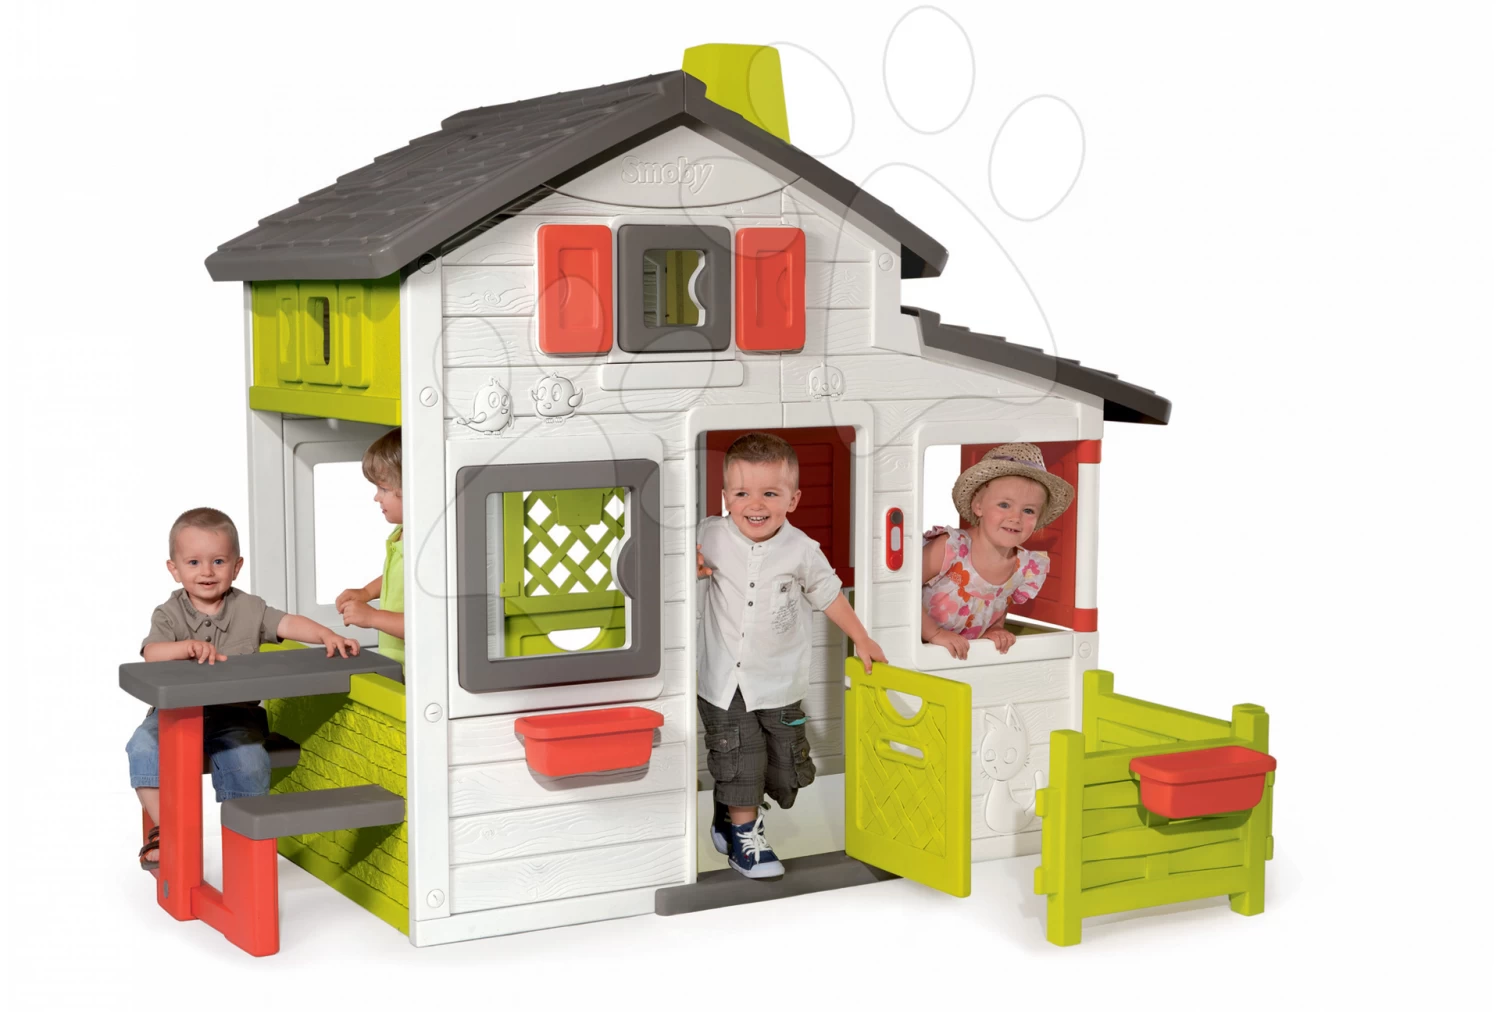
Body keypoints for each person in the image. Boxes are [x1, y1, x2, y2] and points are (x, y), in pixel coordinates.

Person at [127, 507, 361, 870]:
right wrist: (185, 647)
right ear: (174, 568)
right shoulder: (168, 614)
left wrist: (325, 635)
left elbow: (288, 622)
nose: (207, 571)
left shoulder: (250, 609)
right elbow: (151, 654)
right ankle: (167, 830)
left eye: (218, 561)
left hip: (235, 717)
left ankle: (245, 844)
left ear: (236, 567)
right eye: (193, 562)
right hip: (176, 716)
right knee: (142, 746)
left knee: (250, 761)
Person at [696, 432, 885, 878]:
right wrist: (694, 564)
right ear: (725, 496)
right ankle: (746, 841)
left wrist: (861, 638)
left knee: (783, 771)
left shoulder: (801, 550)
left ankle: (728, 810)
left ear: (793, 499)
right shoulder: (709, 533)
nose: (754, 504)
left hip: (779, 682)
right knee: (742, 761)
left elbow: (829, 594)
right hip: (724, 681)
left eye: (770, 493)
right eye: (741, 493)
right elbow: (674, 558)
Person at [921, 443, 1076, 660]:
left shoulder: (1024, 566)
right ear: (978, 506)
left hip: (961, 659)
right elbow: (902, 589)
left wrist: (995, 628)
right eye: (1004, 505)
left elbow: (998, 602)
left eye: (1028, 510)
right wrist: (935, 633)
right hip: (916, 648)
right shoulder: (951, 548)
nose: (1016, 517)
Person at [335, 428, 405, 666]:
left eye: (384, 489)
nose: (377, 497)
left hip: (418, 667)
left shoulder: (430, 546)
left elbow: (429, 625)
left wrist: (373, 617)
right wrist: (366, 592)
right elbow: (396, 577)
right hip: (395, 659)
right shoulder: (401, 533)